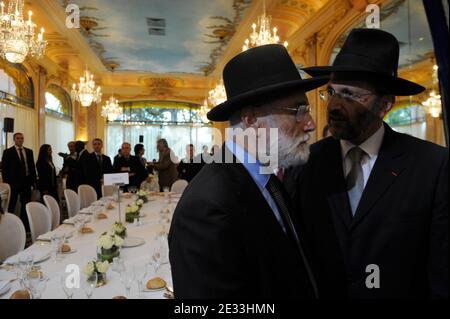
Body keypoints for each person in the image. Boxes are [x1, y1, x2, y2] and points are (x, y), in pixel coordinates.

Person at [288, 28, 448, 299]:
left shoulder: (433, 167)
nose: (335, 106)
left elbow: (442, 274)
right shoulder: (305, 163)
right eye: (332, 92)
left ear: (385, 105)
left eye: (350, 95)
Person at [169, 44, 328, 298]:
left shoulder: (269, 178)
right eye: (298, 110)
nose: (310, 124)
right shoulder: (205, 209)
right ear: (252, 119)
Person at [1, 132, 37, 230]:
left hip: (26, 183)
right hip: (13, 183)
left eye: (22, 138)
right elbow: (4, 169)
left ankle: (25, 225)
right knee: (11, 204)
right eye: (18, 138)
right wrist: (7, 183)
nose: (20, 140)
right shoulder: (8, 152)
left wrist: (33, 182)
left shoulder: (29, 151)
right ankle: (8, 225)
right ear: (14, 139)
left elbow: (32, 167)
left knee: (26, 205)